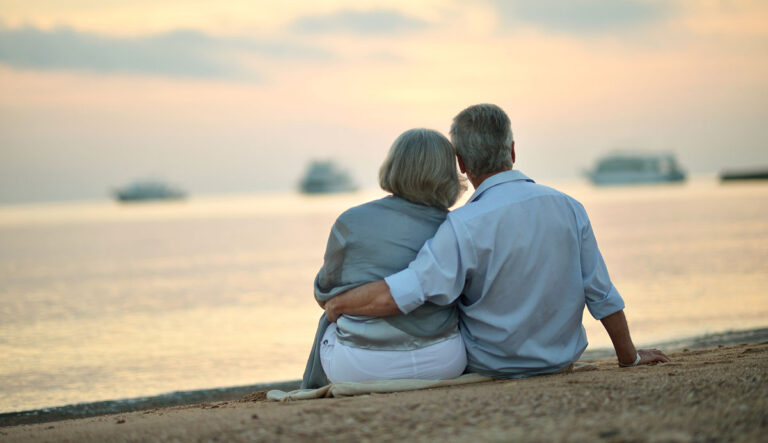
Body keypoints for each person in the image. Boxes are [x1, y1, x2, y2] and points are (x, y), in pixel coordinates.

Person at [325, 104, 670, 377]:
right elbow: (600, 292)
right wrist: (629, 357)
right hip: (560, 360)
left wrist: (339, 305)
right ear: (513, 150)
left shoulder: (462, 225)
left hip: (494, 365)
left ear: (461, 163)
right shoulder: (569, 207)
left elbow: (406, 292)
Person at [301, 128, 468, 389]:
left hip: (361, 366)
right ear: (448, 175)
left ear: (393, 166)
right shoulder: (457, 226)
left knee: (330, 320)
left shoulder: (350, 222)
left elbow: (324, 296)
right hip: (444, 362)